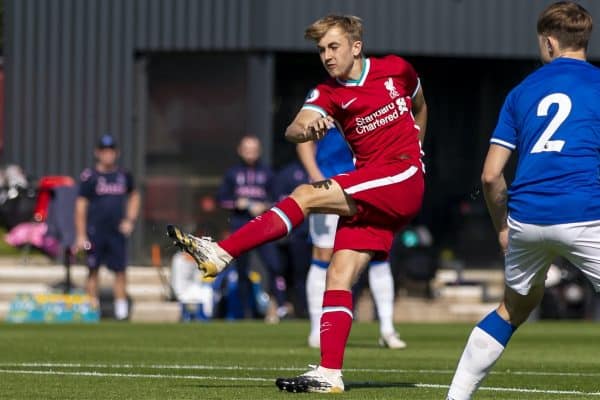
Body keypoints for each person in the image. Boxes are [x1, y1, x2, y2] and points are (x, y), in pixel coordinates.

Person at [168, 14, 427, 393]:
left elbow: (420, 104)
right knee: (337, 275)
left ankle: (221, 253)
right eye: (321, 49)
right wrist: (307, 128)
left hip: (403, 176)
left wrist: (419, 146)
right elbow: (295, 126)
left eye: (333, 46)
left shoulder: (396, 69)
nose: (326, 55)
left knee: (305, 195)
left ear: (356, 47)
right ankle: (329, 373)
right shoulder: (327, 93)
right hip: (374, 187)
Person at [446, 3, 600, 399]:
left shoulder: (522, 92)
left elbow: (491, 175)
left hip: (527, 219)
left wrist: (503, 227)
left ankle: (456, 397)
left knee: (513, 309)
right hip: (584, 214)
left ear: (548, 43)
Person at [297, 127, 406, 350]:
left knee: (378, 253)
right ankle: (317, 329)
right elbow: (303, 138)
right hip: (330, 183)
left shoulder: (380, 98)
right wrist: (317, 177)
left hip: (368, 185)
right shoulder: (325, 96)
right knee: (323, 253)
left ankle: (387, 328)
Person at [216, 135, 289, 322]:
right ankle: (245, 312)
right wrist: (236, 203)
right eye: (247, 149)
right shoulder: (232, 173)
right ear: (240, 150)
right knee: (241, 271)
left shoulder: (268, 173)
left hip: (264, 228)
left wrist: (264, 206)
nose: (250, 153)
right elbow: (221, 199)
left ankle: (279, 307)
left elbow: (279, 199)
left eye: (254, 149)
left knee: (274, 266)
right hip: (241, 226)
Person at [74, 134, 140, 320]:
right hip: (95, 231)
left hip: (116, 231)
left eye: (111, 151)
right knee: (93, 269)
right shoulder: (90, 177)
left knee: (120, 270)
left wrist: (130, 220)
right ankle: (92, 309)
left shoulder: (123, 175)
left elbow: (134, 196)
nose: (108, 155)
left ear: (116, 153)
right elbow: (80, 206)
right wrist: (80, 234)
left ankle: (121, 310)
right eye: (104, 151)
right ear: (98, 153)